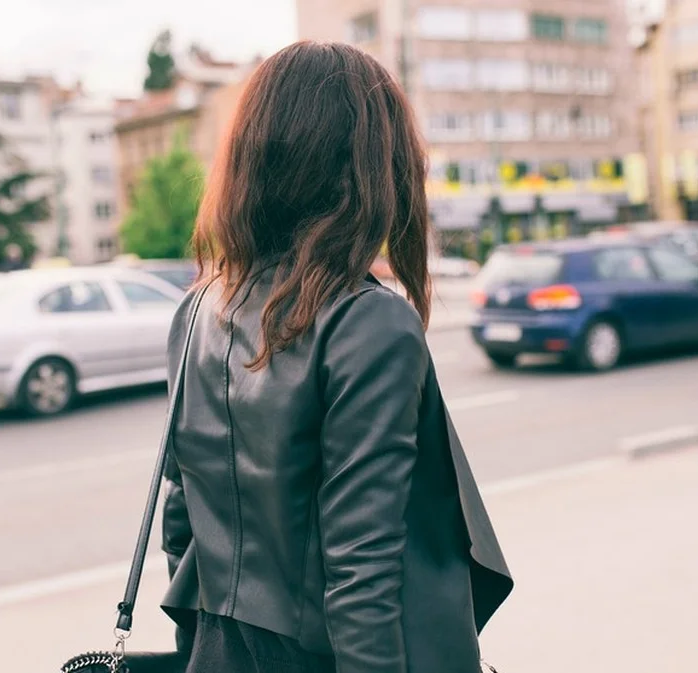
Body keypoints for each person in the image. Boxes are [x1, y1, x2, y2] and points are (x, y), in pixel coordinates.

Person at [158, 42, 513, 673]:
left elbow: (182, 520)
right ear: (371, 164)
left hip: (220, 650)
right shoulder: (366, 321)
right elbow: (363, 567)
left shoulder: (199, 310)